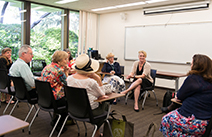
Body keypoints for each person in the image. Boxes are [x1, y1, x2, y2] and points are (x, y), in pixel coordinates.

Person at [160, 54, 212, 136]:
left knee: (165, 120)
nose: (191, 66)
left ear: (196, 66)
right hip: (206, 123)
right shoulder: (209, 80)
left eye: (192, 64)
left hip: (193, 121)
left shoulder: (193, 78)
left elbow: (179, 96)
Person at [67, 54, 111, 137]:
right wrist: (98, 79)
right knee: (106, 105)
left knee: (99, 100)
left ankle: (96, 131)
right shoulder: (90, 82)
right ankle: (97, 132)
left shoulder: (69, 79)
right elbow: (102, 93)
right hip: (88, 112)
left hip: (73, 110)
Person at [39, 50, 70, 133]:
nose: (67, 61)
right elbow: (67, 83)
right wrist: (66, 72)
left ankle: (56, 120)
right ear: (59, 61)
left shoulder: (47, 67)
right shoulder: (59, 71)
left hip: (44, 98)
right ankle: (58, 123)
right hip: (55, 99)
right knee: (71, 103)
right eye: (65, 59)